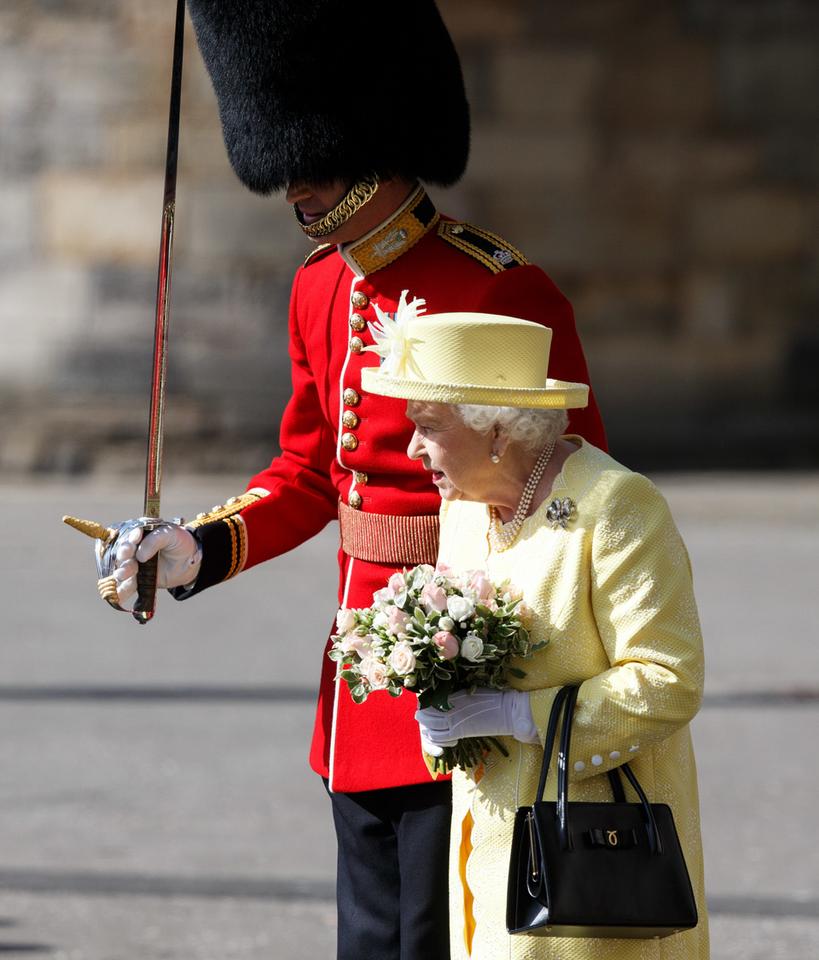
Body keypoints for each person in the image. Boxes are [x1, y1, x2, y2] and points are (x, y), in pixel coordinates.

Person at [78, 3, 607, 958]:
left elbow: (580, 495)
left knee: (445, 935)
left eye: (313, 168)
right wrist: (195, 547)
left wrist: (520, 665)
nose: (298, 192)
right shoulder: (320, 285)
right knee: (369, 937)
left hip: (475, 667)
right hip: (360, 682)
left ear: (377, 143)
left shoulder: (497, 287)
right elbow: (308, 473)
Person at [361, 310, 708, 959]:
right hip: (487, 838)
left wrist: (524, 715)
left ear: (495, 427)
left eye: (427, 427)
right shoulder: (462, 508)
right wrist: (440, 703)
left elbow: (668, 679)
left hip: (595, 850)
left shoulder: (616, 508)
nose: (412, 450)